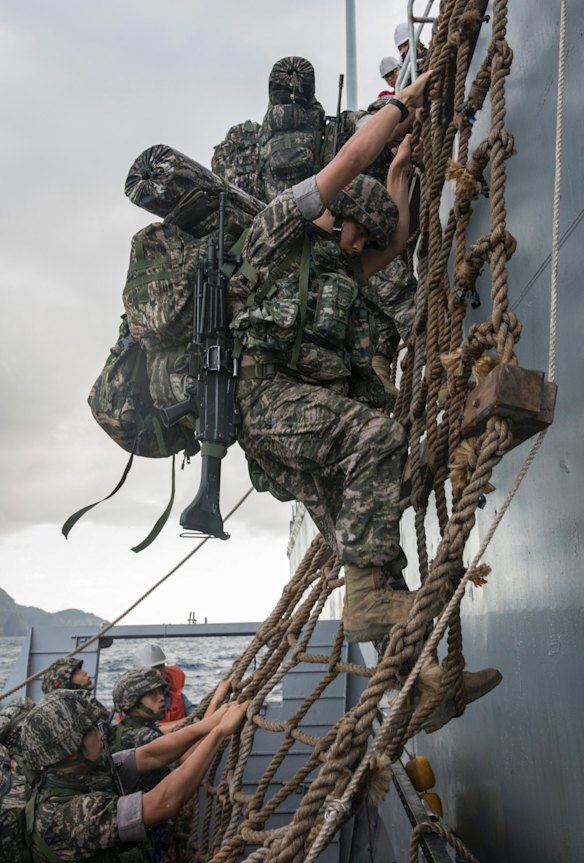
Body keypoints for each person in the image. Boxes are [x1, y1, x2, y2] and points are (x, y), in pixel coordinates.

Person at [230, 68, 501, 713]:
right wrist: (400, 104)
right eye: (355, 231)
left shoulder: (337, 261)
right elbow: (351, 158)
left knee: (373, 558)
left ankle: (422, 691)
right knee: (377, 436)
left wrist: (401, 175)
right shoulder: (275, 230)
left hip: (292, 426)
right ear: (337, 214)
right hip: (263, 399)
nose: (361, 248)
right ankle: (374, 609)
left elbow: (399, 241)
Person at [20, 688, 248, 862]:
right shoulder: (70, 815)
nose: (100, 734)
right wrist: (219, 733)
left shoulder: (81, 772)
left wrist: (210, 724)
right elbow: (163, 803)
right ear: (69, 749)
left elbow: (151, 755)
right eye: (89, 730)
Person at [132, 642, 196, 723]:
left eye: (161, 667)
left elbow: (194, 712)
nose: (159, 672)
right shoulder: (131, 702)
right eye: (153, 669)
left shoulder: (174, 694)